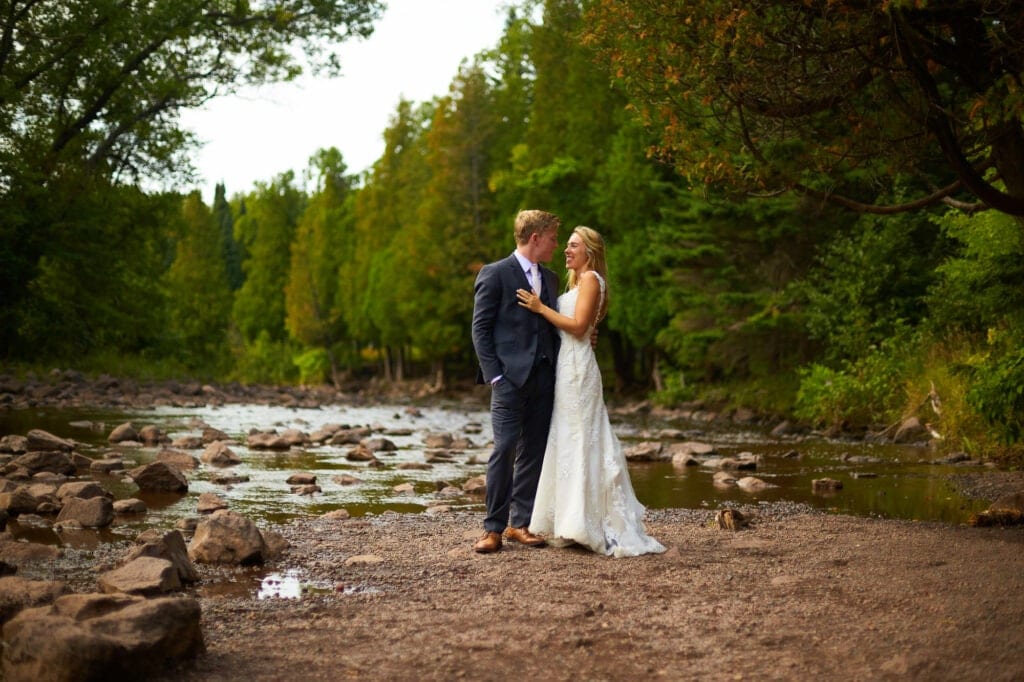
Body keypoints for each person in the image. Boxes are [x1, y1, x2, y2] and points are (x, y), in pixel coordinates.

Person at [516, 226, 666, 557]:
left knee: (582, 438)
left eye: (573, 246)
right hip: (567, 367)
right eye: (566, 245)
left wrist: (541, 308)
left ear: (590, 252)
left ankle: (586, 522)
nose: (566, 250)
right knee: (568, 439)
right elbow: (579, 329)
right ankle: (569, 520)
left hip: (579, 370)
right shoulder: (577, 282)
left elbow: (580, 327)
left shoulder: (591, 280)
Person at [470, 209, 562, 553]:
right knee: (504, 448)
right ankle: (492, 528)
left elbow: (553, 325)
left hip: (545, 377)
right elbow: (480, 329)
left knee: (533, 451)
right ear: (535, 238)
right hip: (508, 379)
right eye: (552, 238)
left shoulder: (550, 279)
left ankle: (518, 524)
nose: (555, 245)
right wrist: (495, 374)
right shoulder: (495, 274)